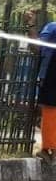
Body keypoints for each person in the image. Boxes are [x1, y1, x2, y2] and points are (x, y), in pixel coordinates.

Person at [35, 20, 56, 159]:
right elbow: (38, 47)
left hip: (52, 74)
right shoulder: (53, 28)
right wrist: (31, 26)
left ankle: (50, 148)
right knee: (50, 110)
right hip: (52, 74)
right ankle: (50, 148)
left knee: (50, 110)